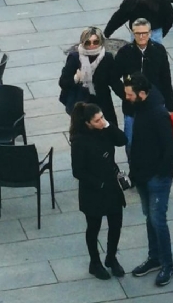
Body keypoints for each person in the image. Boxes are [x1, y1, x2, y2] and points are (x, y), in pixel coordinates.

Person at [124, 73, 173, 287]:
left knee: (158, 220)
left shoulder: (157, 113)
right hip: (144, 176)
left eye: (129, 94)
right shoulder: (141, 108)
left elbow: (170, 149)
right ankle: (155, 257)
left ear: (142, 94)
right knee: (149, 218)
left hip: (156, 177)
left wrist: (159, 173)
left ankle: (167, 265)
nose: (126, 97)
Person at [70, 102, 127, 281]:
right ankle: (95, 262)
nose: (101, 122)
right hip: (93, 191)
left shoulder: (105, 130)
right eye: (97, 120)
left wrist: (108, 125)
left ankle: (111, 257)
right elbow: (78, 171)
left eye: (102, 117)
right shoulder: (79, 141)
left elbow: (122, 140)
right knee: (93, 228)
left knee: (116, 223)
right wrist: (98, 183)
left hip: (111, 186)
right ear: (88, 123)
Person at [114, 18, 173, 144]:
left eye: (145, 33)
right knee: (131, 140)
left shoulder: (159, 50)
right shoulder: (125, 53)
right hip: (132, 105)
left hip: (154, 103)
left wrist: (169, 105)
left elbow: (165, 78)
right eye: (138, 33)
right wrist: (125, 94)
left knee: (154, 140)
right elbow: (113, 77)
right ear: (132, 33)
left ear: (150, 33)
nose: (142, 36)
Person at [59, 26, 123, 127]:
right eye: (88, 42)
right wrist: (76, 78)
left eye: (96, 42)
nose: (92, 45)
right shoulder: (75, 58)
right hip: (82, 103)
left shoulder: (107, 58)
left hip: (102, 101)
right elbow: (63, 82)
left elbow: (114, 81)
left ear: (101, 42)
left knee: (107, 131)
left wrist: (127, 96)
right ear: (83, 42)